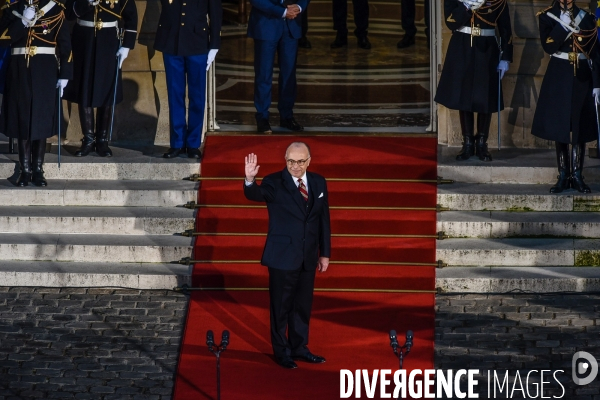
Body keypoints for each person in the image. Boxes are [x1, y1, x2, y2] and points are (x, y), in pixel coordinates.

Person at [243, 142, 331, 369]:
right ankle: (282, 352)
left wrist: (325, 253)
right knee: (281, 308)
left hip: (308, 256)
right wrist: (250, 180)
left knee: (302, 306)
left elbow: (323, 220)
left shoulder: (319, 182)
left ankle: (300, 348)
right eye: (291, 161)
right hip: (282, 256)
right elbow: (257, 194)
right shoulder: (274, 181)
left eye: (301, 161)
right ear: (285, 159)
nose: (295, 166)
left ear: (309, 161)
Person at [1, 0, 72, 187]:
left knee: (41, 118)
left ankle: (38, 169)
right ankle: (25, 170)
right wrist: (23, 21)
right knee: (22, 118)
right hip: (19, 69)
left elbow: (65, 44)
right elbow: (4, 36)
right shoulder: (14, 8)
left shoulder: (56, 9)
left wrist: (65, 73)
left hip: (45, 69)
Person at [532, 0, 600, 193]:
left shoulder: (586, 18)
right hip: (559, 74)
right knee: (560, 125)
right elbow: (549, 47)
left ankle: (577, 174)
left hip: (582, 76)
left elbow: (595, 53)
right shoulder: (547, 17)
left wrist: (597, 83)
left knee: (579, 126)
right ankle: (563, 174)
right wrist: (561, 27)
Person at [434, 0, 513, 162]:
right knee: (464, 96)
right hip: (462, 46)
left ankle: (482, 143)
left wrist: (505, 58)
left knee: (485, 97)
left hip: (487, 48)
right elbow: (450, 23)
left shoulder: (498, 1)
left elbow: (506, 30)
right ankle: (468, 142)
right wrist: (465, 7)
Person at [64, 0, 138, 158]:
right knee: (84, 88)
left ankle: (102, 140)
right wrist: (87, 3)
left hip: (109, 40)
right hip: (83, 39)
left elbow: (131, 15)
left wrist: (127, 45)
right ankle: (88, 139)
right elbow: (69, 13)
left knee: (107, 89)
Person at [154, 0, 222, 159]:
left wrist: (214, 45)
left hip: (198, 42)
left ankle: (193, 143)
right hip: (172, 41)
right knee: (175, 95)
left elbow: (215, 13)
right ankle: (177, 143)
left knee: (197, 96)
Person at [248, 0, 307, 133]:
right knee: (264, 74)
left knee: (289, 75)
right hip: (266, 23)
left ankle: (287, 116)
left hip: (292, 24)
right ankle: (262, 117)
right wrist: (282, 11)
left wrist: (299, 6)